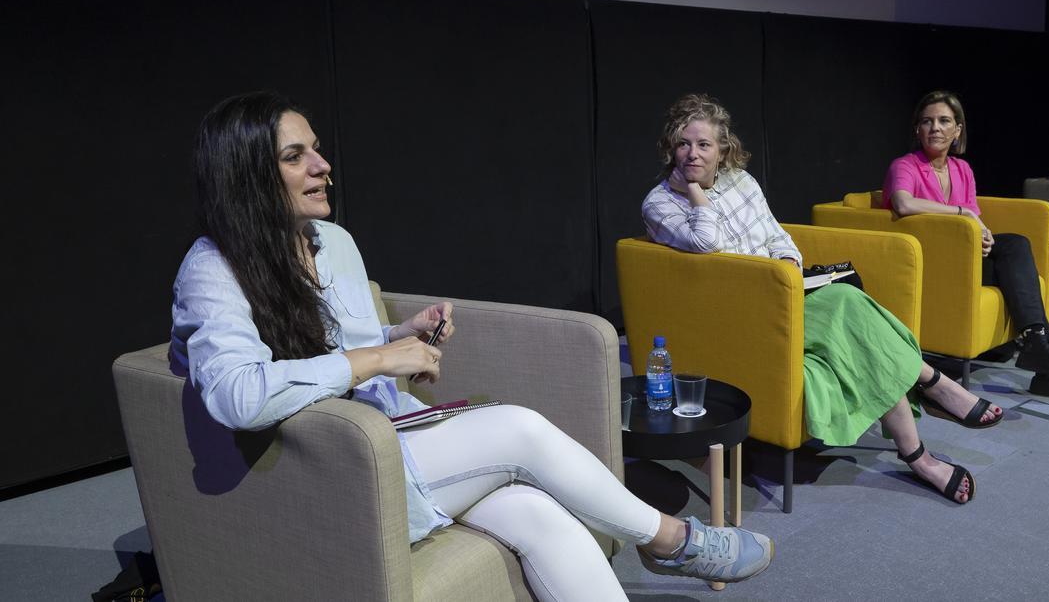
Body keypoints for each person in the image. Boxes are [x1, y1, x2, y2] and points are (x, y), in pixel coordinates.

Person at [170, 91, 775, 601]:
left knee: (542, 516)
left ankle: (667, 545)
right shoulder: (212, 268)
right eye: (295, 157)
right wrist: (379, 359)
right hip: (331, 468)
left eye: (317, 149)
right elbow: (236, 397)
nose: (324, 165)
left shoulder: (330, 240)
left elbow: (332, 346)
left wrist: (394, 336)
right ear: (248, 175)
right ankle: (672, 542)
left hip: (390, 433)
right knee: (518, 429)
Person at [642, 94, 1003, 505]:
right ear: (671, 147)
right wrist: (693, 191)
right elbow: (705, 244)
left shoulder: (742, 182)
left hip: (787, 293)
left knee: (850, 308)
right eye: (683, 144)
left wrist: (789, 266)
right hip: (741, 313)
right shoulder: (659, 203)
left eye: (704, 144)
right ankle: (930, 396)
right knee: (849, 305)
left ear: (723, 148)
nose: (692, 154)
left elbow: (780, 237)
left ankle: (919, 447)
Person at [882, 90, 1049, 402]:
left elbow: (976, 215)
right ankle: (1041, 351)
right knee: (1014, 249)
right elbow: (904, 204)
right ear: (917, 130)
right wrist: (964, 214)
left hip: (966, 260)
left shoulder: (962, 170)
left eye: (944, 120)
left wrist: (984, 232)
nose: (935, 127)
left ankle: (1042, 354)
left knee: (1013, 249)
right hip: (931, 266)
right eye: (927, 121)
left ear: (957, 130)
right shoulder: (904, 166)